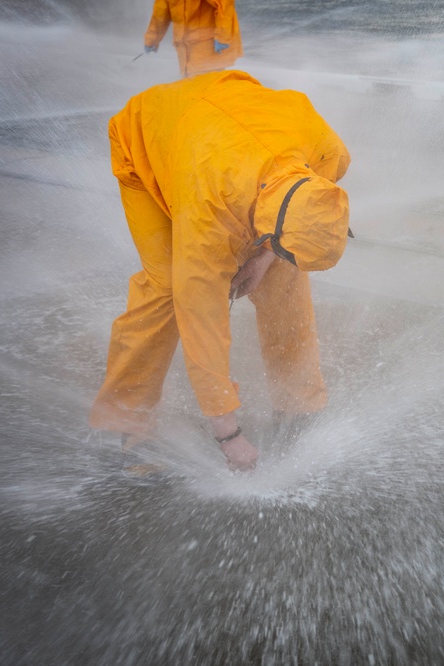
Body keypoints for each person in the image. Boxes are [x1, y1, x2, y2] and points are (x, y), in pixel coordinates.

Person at [90, 70, 351, 473]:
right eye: (271, 241)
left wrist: (265, 258)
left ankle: (297, 405)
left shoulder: (324, 150)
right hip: (146, 136)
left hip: (218, 118)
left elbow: (294, 222)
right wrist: (229, 437)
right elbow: (203, 325)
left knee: (285, 276)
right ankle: (125, 423)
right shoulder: (207, 216)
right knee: (167, 289)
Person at [143, 0, 243, 78]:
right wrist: (152, 39)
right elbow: (160, 13)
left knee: (206, 86)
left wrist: (223, 37)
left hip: (208, 47)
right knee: (189, 82)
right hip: (184, 48)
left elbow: (224, 6)